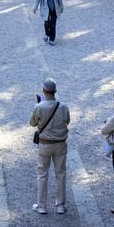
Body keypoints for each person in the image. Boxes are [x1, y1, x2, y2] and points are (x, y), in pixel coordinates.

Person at [29, 77, 70, 215]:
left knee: (42, 174)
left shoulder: (39, 107)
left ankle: (41, 206)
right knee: (61, 174)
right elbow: (67, 121)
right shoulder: (63, 107)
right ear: (55, 91)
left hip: (45, 144)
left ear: (44, 91)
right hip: (61, 144)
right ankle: (60, 205)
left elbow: (32, 123)